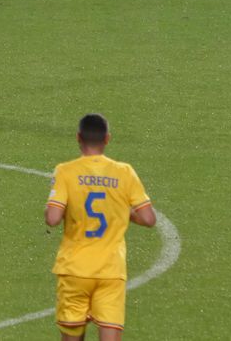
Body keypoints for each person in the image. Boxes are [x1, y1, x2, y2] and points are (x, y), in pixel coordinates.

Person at [45, 114, 156, 340]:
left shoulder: (66, 171)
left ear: (78, 138)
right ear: (107, 139)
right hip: (111, 270)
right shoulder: (124, 172)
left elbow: (53, 218)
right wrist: (120, 210)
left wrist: (65, 207)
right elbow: (148, 219)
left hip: (74, 269)